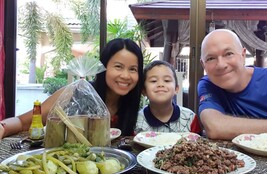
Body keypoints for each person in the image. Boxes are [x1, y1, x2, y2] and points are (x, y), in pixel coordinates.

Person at [0, 38, 144, 138]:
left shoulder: (132, 104)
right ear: (103, 68)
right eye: (118, 67)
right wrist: (2, 127)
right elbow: (23, 122)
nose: (126, 75)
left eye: (133, 69)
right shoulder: (75, 93)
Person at [135, 60, 202, 134]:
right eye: (153, 81)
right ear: (143, 91)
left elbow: (199, 144)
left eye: (167, 80)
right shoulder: (136, 121)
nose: (160, 84)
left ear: (176, 89)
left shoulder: (190, 118)